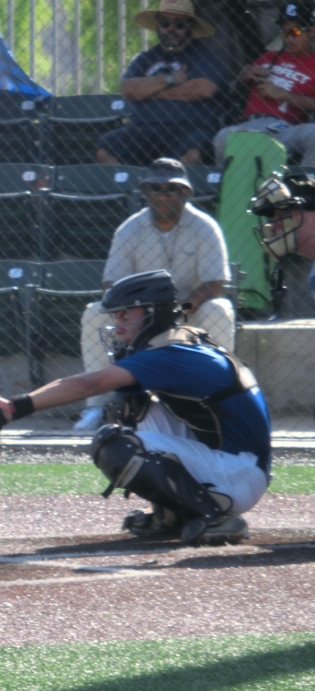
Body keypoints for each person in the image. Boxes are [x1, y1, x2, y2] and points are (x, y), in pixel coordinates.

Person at [0, 270, 271, 545]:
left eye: (126, 315)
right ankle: (173, 514)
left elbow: (89, 384)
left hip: (239, 473)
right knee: (129, 406)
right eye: (116, 316)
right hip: (234, 463)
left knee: (115, 444)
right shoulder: (176, 341)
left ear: (154, 312)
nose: (118, 324)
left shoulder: (171, 353)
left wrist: (13, 408)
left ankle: (215, 517)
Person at [75, 158, 236, 432]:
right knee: (93, 312)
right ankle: (96, 408)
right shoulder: (130, 229)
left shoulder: (205, 227)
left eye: (170, 189)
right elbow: (111, 283)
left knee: (220, 308)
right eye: (155, 189)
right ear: (146, 192)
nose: (163, 195)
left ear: (184, 192)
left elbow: (215, 282)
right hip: (140, 317)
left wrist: (181, 310)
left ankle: (225, 402)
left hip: (190, 313)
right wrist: (135, 317)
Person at [96, 0, 227, 166]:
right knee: (105, 149)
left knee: (193, 154)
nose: (170, 29)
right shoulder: (145, 58)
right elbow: (127, 89)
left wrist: (149, 91)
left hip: (188, 129)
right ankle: (134, 190)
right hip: (144, 129)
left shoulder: (204, 56)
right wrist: (169, 79)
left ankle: (172, 190)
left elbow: (203, 89)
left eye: (178, 24)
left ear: (190, 27)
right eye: (165, 23)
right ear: (157, 26)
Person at [214, 2, 315, 167]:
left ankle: (305, 186)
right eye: (284, 32)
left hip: (285, 129)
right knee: (223, 136)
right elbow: (231, 90)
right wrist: (243, 76)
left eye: (295, 32)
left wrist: (283, 95)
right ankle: (227, 190)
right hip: (250, 125)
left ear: (311, 31)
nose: (288, 39)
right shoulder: (268, 56)